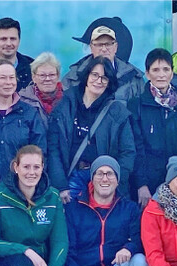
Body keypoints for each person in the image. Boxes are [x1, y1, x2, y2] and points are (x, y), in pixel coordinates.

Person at [47, 56, 135, 202]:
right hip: (70, 179)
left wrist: (115, 183)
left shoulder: (117, 111)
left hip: (103, 181)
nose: (98, 81)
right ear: (86, 75)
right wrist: (60, 186)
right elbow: (53, 148)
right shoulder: (65, 105)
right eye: (95, 75)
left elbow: (128, 152)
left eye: (104, 78)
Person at [128, 48, 177, 207]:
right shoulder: (136, 106)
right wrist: (141, 184)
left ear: (172, 73)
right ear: (147, 73)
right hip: (148, 188)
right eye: (155, 70)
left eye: (166, 69)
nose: (161, 74)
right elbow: (135, 148)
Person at [0, 59, 47, 198]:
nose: (8, 82)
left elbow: (40, 150)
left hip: (21, 186)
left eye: (12, 77)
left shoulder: (29, 113)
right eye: (3, 77)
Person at [63, 24, 144, 101]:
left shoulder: (134, 78)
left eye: (108, 44)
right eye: (99, 44)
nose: (104, 49)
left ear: (116, 47)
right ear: (91, 47)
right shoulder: (73, 77)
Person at [19, 52, 63, 124]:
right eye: (42, 75)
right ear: (34, 78)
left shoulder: (69, 99)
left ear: (58, 76)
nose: (47, 79)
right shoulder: (22, 100)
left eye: (52, 75)